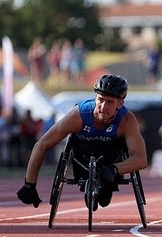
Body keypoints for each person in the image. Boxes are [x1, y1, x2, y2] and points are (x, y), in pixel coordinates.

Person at [16, 74, 148, 209]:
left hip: (111, 161)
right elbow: (42, 144)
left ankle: (107, 186)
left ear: (120, 103)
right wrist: (29, 185)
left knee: (105, 195)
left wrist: (114, 169)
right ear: (95, 97)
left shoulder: (126, 120)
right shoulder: (79, 115)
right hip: (83, 159)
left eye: (110, 102)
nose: (103, 106)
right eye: (100, 100)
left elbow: (141, 159)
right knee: (79, 146)